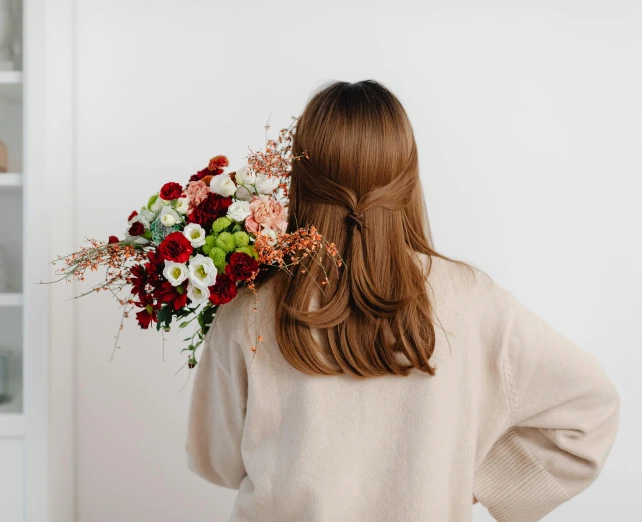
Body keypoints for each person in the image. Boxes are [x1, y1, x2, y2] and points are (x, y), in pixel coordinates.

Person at [185, 80, 619, 522]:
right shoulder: (472, 301)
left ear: (302, 179)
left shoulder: (249, 308)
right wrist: (463, 480)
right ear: (407, 175)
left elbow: (215, 461)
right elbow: (591, 408)